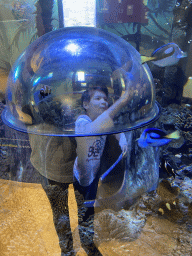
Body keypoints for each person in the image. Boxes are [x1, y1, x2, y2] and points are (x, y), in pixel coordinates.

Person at [73, 81, 133, 216]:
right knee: (79, 203)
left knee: (90, 201)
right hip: (80, 174)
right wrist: (123, 100)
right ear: (86, 104)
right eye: (98, 98)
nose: (103, 102)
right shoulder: (82, 121)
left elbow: (117, 131)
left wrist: (122, 141)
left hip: (94, 172)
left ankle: (88, 220)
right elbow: (92, 130)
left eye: (106, 99)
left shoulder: (104, 123)